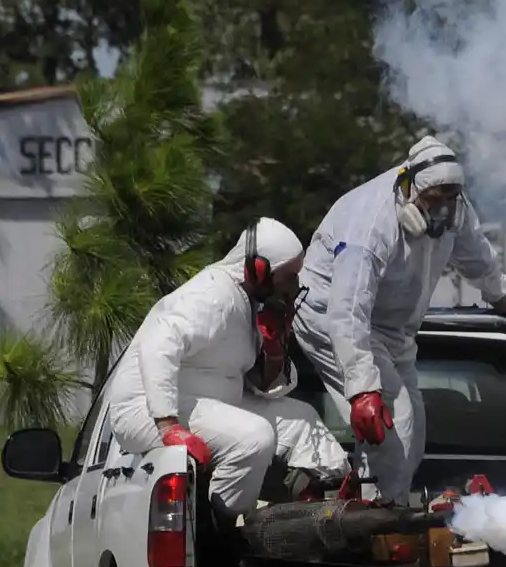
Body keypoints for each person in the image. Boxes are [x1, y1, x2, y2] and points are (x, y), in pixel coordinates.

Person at [292, 135, 506, 505]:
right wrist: (362, 390)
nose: (443, 208)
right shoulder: (371, 225)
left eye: (451, 196)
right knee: (393, 422)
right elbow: (347, 311)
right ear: (407, 186)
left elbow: (475, 255)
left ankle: (383, 509)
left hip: (393, 329)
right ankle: (379, 518)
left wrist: (505, 298)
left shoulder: (456, 209)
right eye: (434, 198)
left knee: (412, 426)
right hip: (330, 318)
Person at [107, 218, 351, 518]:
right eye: (287, 276)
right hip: (145, 410)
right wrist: (168, 426)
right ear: (258, 270)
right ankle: (221, 529)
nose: (292, 287)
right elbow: (158, 343)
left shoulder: (247, 303)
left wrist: (274, 352)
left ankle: (330, 508)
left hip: (207, 401)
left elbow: (257, 385)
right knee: (253, 437)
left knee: (302, 419)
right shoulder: (214, 295)